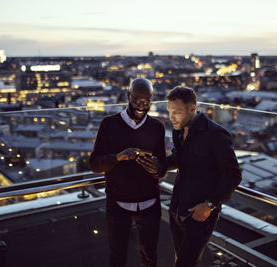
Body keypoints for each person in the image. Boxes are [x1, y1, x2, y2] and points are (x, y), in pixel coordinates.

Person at [89, 77, 167, 267]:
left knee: (150, 256)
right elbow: (94, 164)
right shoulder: (109, 124)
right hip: (118, 203)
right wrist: (117, 158)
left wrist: (156, 168)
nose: (141, 106)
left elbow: (162, 168)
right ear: (127, 96)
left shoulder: (157, 127)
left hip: (150, 203)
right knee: (117, 256)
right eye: (136, 100)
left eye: (146, 101)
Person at [165, 86, 242, 267]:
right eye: (169, 111)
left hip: (200, 216)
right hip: (177, 208)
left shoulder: (215, 134)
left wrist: (210, 205)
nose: (171, 117)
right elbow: (179, 158)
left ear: (192, 109)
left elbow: (233, 175)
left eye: (176, 112)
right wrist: (158, 164)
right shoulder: (179, 130)